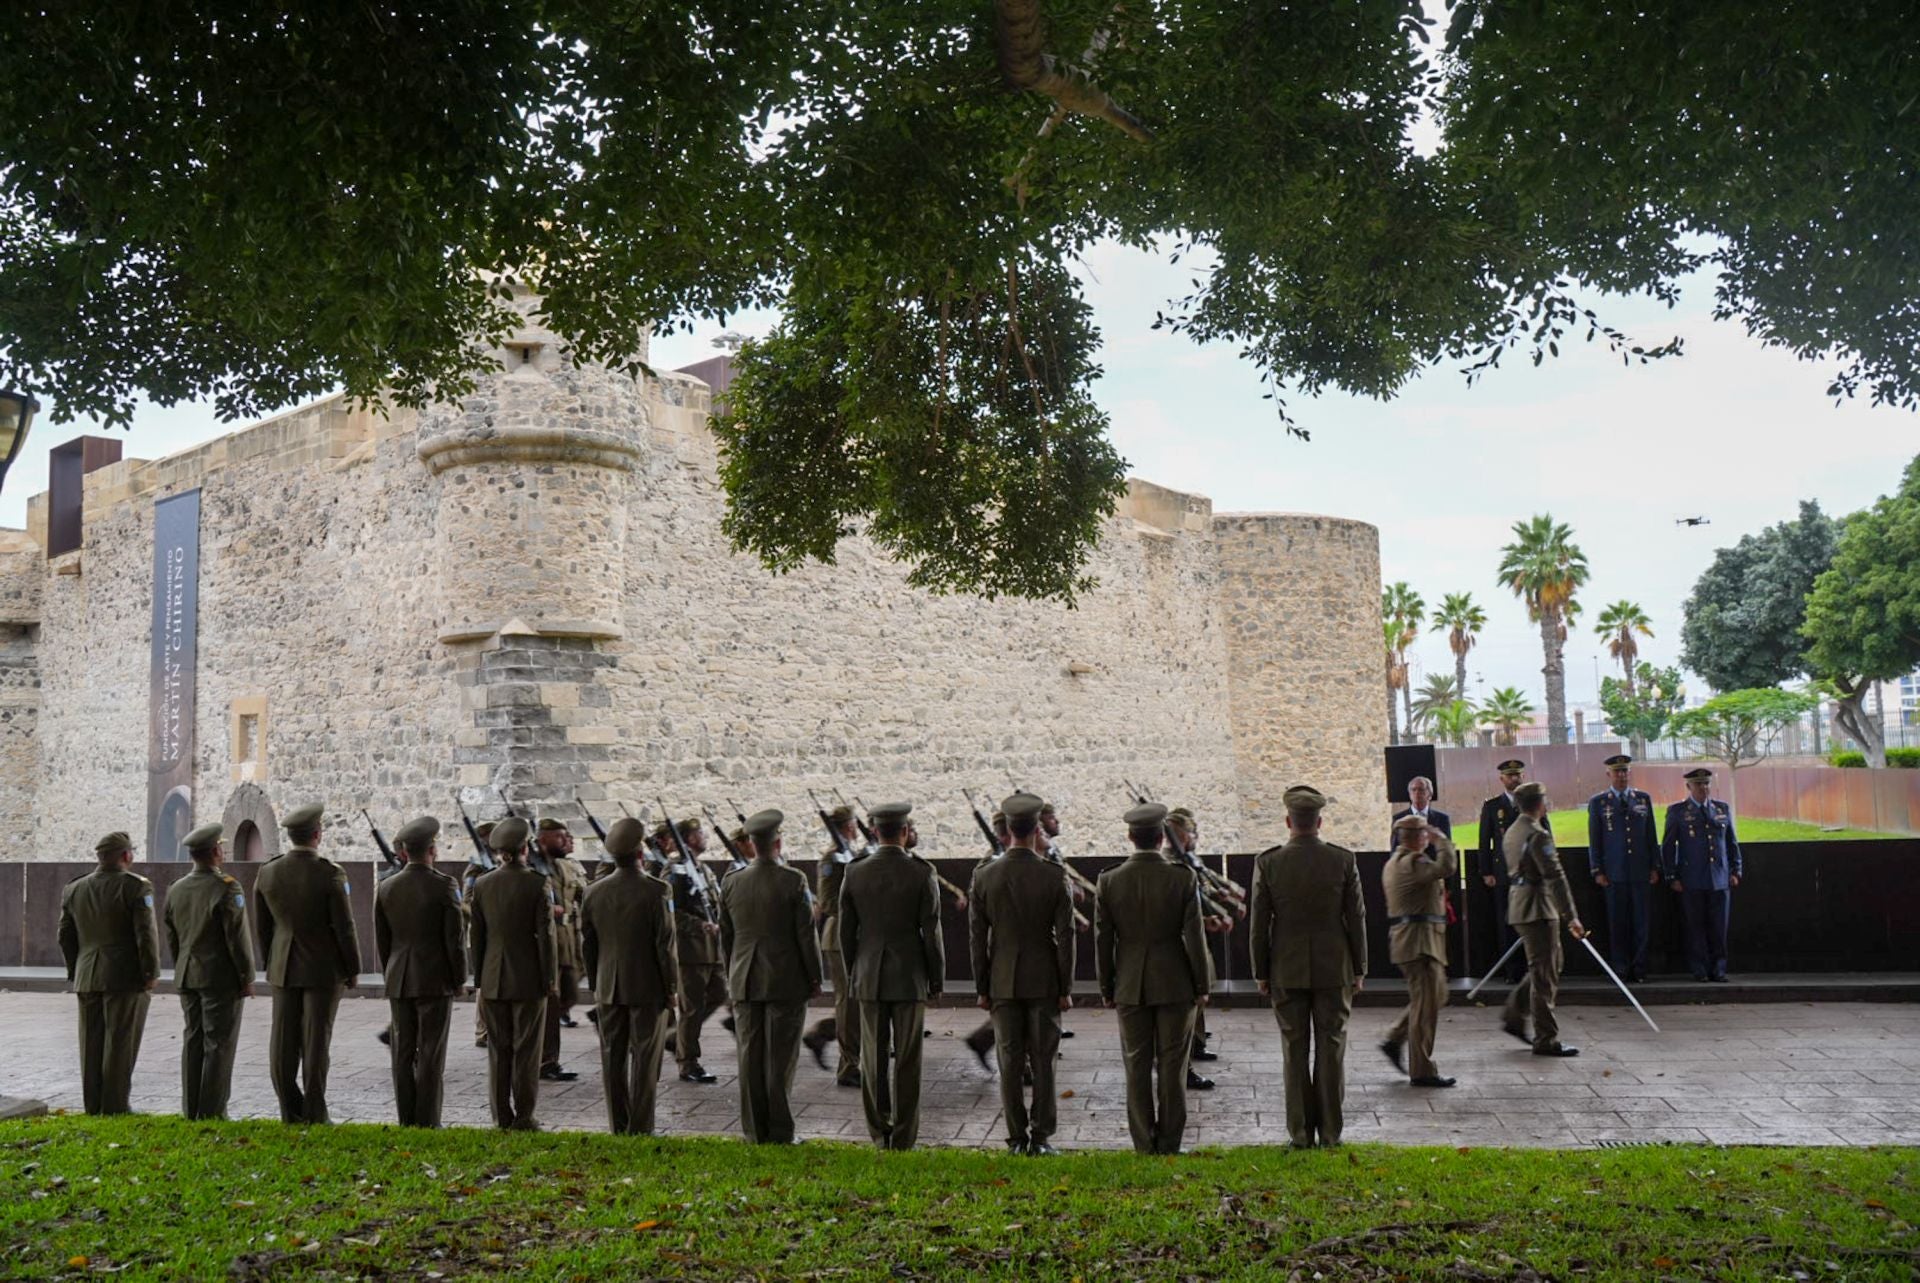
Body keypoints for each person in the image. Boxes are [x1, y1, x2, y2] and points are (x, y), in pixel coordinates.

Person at [1249, 784, 1366, 1148]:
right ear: (1319, 821)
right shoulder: (1343, 860)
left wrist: (1261, 972)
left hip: (1286, 966)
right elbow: (1356, 918)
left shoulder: (1268, 862)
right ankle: (1330, 1133)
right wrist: (1359, 967)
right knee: (1331, 1048)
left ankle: (1300, 1133)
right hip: (1334, 966)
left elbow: (1259, 924)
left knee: (1293, 1050)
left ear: (1288, 821)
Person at [1096, 803, 1209, 1155]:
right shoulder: (1182, 877)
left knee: (1137, 1065)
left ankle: (1144, 1142)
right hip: (1175, 980)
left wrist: (1107, 985)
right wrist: (1202, 985)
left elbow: (1103, 939)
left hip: (1130, 982)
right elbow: (1195, 937)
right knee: (1173, 1066)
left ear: (1131, 837)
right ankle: (1170, 1142)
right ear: (1162, 837)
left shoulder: (1110, 879)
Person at [968, 792, 1075, 1155]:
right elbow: (1065, 938)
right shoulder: (1053, 875)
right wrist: (1065, 986)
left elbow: (977, 938)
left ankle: (1016, 1137)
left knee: (1009, 1060)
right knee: (1044, 1060)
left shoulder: (984, 876)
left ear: (1008, 830)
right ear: (1036, 829)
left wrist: (982, 987)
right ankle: (1042, 1136)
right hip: (1043, 977)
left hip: (1001, 978)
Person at [838, 800, 944, 1150]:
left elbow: (846, 932)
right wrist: (936, 978)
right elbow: (932, 932)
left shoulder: (855, 871)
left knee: (873, 1055)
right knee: (908, 1059)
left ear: (874, 831)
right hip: (909, 973)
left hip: (868, 972)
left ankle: (878, 1129)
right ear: (903, 832)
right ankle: (904, 1134)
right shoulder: (921, 872)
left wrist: (854, 971)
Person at [720, 809, 824, 1144]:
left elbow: (726, 936)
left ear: (751, 844)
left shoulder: (731, 882)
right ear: (778, 842)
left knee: (749, 1056)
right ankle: (780, 1130)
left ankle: (753, 1129)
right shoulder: (793, 880)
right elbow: (806, 935)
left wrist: (732, 974)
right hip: (784, 977)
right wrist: (815, 977)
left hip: (744, 977)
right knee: (780, 1058)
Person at [254, 803, 361, 1124]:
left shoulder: (268, 872)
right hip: (322, 968)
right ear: (317, 834)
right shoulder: (329, 873)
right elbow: (344, 926)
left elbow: (262, 926)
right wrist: (352, 967)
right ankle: (315, 1110)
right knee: (316, 1042)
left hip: (282, 965)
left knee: (282, 1042)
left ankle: (290, 1108)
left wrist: (272, 960)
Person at [579, 817, 677, 1135]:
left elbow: (588, 944)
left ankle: (617, 1125)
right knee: (646, 1058)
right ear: (640, 854)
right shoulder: (657, 890)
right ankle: (641, 1125)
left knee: (612, 1058)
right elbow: (665, 947)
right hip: (648, 985)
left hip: (608, 985)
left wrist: (597, 982)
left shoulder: (593, 893)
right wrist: (671, 987)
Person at [373, 816, 466, 1128]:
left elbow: (383, 940)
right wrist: (458, 978)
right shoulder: (444, 886)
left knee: (402, 1051)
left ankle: (406, 1117)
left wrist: (392, 972)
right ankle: (427, 1118)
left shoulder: (386, 887)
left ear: (403, 853)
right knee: (430, 1051)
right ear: (432, 849)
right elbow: (454, 939)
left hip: (399, 975)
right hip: (434, 976)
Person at [59, 830, 159, 1115]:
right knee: (120, 1041)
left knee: (90, 1042)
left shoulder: (74, 888)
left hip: (87, 973)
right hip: (124, 976)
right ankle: (114, 1105)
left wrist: (75, 968)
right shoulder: (136, 887)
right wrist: (150, 971)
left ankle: (93, 1104)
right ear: (126, 855)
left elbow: (64, 935)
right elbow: (146, 935)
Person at [468, 817, 556, 1130]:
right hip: (528, 977)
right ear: (525, 847)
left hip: (493, 977)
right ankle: (525, 1115)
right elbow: (545, 935)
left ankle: (500, 1115)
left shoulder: (483, 883)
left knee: (498, 1050)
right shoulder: (537, 883)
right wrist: (549, 978)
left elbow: (476, 935)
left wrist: (479, 976)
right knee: (527, 1050)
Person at [164, 822, 255, 1120]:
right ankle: (213, 1109)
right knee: (219, 1044)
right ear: (216, 851)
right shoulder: (226, 887)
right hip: (219, 976)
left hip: (187, 973)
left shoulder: (176, 889)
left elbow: (172, 937)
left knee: (193, 1039)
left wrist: (182, 966)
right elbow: (237, 939)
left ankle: (191, 1107)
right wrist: (246, 977)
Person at [1500, 782, 1586, 1056]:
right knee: (1545, 975)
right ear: (1540, 804)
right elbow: (1555, 877)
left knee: (1546, 965)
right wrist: (1571, 916)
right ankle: (1546, 1038)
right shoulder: (1537, 834)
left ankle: (1514, 1014)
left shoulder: (1513, 831)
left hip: (1519, 904)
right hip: (1538, 908)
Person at [1379, 813, 1457, 1088]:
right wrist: (1444, 841)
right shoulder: (1413, 861)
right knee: (1426, 1007)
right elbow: (1446, 868)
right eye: (1425, 833)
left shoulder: (1396, 861)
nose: (1429, 837)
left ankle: (1394, 1038)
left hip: (1416, 940)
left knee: (1434, 997)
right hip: (1419, 942)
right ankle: (1422, 1070)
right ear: (1416, 837)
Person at [1164, 808, 1228, 1088]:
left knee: (1196, 1005)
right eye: (1190, 832)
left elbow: (1203, 890)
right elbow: (1171, 911)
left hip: (1196, 935)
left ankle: (1196, 1046)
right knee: (1184, 1011)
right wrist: (1205, 920)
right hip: (1182, 943)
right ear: (1178, 835)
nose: (1195, 837)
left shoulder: (1186, 862)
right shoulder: (1171, 866)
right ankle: (1184, 1067)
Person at [1661, 767, 1743, 982]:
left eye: (1706, 783)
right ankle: (1700, 969)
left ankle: (1719, 969)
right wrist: (1671, 876)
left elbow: (1731, 842)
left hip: (1720, 878)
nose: (1703, 788)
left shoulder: (1721, 809)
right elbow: (1668, 847)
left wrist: (1736, 869)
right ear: (1689, 786)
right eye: (1698, 784)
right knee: (1695, 927)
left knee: (1719, 927)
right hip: (1691, 879)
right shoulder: (1678, 811)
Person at [804, 806, 866, 1086]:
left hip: (858, 938)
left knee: (856, 1004)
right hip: (840, 939)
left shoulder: (854, 854)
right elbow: (827, 902)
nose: (857, 828)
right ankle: (848, 1067)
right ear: (845, 826)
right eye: (853, 823)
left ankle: (821, 1036)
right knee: (849, 1005)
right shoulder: (831, 858)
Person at [1587, 753, 1660, 982]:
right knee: (1617, 923)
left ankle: (1639, 968)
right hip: (1614, 873)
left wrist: (1655, 866)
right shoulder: (1599, 802)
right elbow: (1595, 839)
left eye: (1625, 771)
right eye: (1617, 771)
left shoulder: (1642, 799)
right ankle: (1620, 968)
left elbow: (1651, 836)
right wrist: (1597, 869)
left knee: (1642, 923)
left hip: (1640, 872)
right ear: (1608, 774)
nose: (1622, 775)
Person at [667, 816, 727, 1084]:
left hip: (711, 950)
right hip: (691, 949)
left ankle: (676, 1039)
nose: (704, 836)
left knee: (718, 994)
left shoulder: (702, 869)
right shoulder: (676, 869)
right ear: (689, 838)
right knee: (691, 1008)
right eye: (700, 833)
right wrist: (699, 925)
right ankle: (688, 1062)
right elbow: (670, 911)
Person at [530, 818, 584, 1082]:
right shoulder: (531, 867)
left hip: (568, 943)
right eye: (559, 837)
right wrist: (547, 909)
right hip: (547, 945)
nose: (565, 840)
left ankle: (539, 1052)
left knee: (570, 997)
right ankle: (546, 1062)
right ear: (543, 840)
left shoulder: (563, 866)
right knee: (550, 1008)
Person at [1472, 759, 1529, 982]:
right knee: (1506, 923)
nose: (1515, 779)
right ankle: (1512, 971)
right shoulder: (1493, 806)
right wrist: (1486, 871)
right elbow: (1484, 841)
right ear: (1502, 779)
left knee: (1529, 922)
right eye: (1510, 775)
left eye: (1518, 775)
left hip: (1528, 874)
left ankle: (1528, 968)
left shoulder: (1531, 802)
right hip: (1503, 874)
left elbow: (1546, 834)